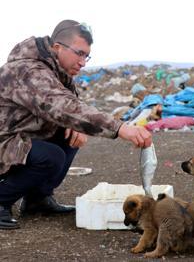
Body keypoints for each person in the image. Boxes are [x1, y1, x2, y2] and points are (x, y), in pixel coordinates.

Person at [0, 20, 152, 229]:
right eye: (79, 53)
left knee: (71, 136)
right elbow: (60, 105)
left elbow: (72, 106)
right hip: (4, 142)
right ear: (57, 48)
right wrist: (120, 128)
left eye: (86, 56)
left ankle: (38, 199)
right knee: (51, 156)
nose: (83, 62)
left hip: (18, 140)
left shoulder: (59, 72)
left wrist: (71, 124)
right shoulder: (27, 71)